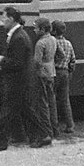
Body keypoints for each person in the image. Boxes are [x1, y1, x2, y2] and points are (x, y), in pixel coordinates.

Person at [0, 6, 33, 152]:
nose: (2, 21)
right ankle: (30, 135)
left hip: (15, 79)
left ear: (11, 19)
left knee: (7, 110)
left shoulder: (18, 37)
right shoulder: (19, 34)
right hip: (19, 79)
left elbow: (18, 63)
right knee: (22, 109)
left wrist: (3, 60)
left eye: (4, 17)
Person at [28, 16, 56, 146]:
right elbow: (59, 54)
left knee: (42, 104)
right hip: (51, 72)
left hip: (41, 75)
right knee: (50, 102)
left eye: (36, 28)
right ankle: (53, 130)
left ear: (42, 29)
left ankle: (45, 133)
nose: (34, 30)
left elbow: (37, 62)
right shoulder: (53, 39)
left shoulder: (40, 43)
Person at [51, 20, 76, 135]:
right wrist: (70, 71)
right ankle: (70, 125)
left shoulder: (53, 42)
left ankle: (54, 125)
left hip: (55, 71)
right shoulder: (69, 43)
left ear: (54, 31)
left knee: (52, 99)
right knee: (65, 100)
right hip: (65, 72)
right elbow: (73, 60)